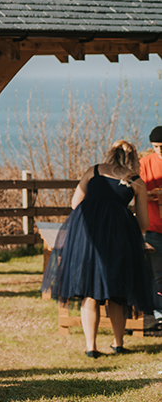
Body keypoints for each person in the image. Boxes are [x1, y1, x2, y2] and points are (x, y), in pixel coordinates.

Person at [43, 140, 154, 356]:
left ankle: (90, 347)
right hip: (118, 239)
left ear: (110, 154)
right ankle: (118, 343)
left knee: (90, 290)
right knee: (117, 291)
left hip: (87, 236)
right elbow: (143, 225)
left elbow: (75, 203)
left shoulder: (93, 171)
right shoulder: (137, 182)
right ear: (134, 160)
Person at [137, 125, 162, 329]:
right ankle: (159, 313)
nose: (160, 150)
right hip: (153, 225)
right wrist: (151, 194)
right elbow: (138, 190)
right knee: (156, 272)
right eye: (156, 146)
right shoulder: (145, 163)